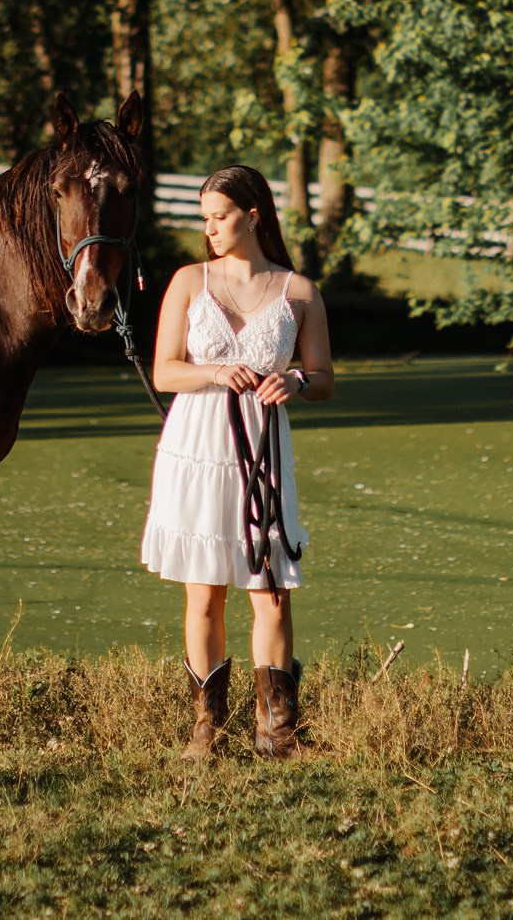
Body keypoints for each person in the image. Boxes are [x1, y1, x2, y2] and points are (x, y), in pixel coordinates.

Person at [138, 163, 336, 758]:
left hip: (263, 450)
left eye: (219, 217)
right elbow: (165, 370)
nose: (210, 230)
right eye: (204, 219)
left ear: (253, 216)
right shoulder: (187, 282)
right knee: (205, 592)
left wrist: (296, 381)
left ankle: (278, 732)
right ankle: (208, 729)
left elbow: (325, 379)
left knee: (271, 588)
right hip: (198, 446)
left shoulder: (299, 292)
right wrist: (215, 371)